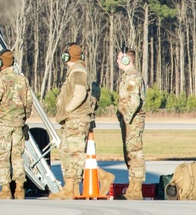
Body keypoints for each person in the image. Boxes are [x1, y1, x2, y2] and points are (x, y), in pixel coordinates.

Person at [49, 42, 113, 199]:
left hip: (76, 118)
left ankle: (102, 177)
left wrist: (68, 110)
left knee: (76, 154)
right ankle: (71, 188)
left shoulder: (78, 72)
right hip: (72, 119)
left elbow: (79, 94)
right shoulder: (74, 71)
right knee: (68, 152)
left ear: (67, 56)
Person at [0, 50, 32, 199]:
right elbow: (28, 104)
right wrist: (22, 119)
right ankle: (19, 189)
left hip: (3, 124)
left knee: (2, 156)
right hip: (18, 125)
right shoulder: (22, 80)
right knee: (17, 156)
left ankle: (5, 189)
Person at [116, 48, 146, 200]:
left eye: (120, 58)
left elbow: (134, 101)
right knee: (129, 153)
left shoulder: (133, 77)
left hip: (132, 121)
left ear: (127, 60)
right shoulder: (127, 76)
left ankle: (136, 188)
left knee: (135, 153)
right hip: (128, 121)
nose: (117, 61)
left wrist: (126, 119)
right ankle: (133, 186)